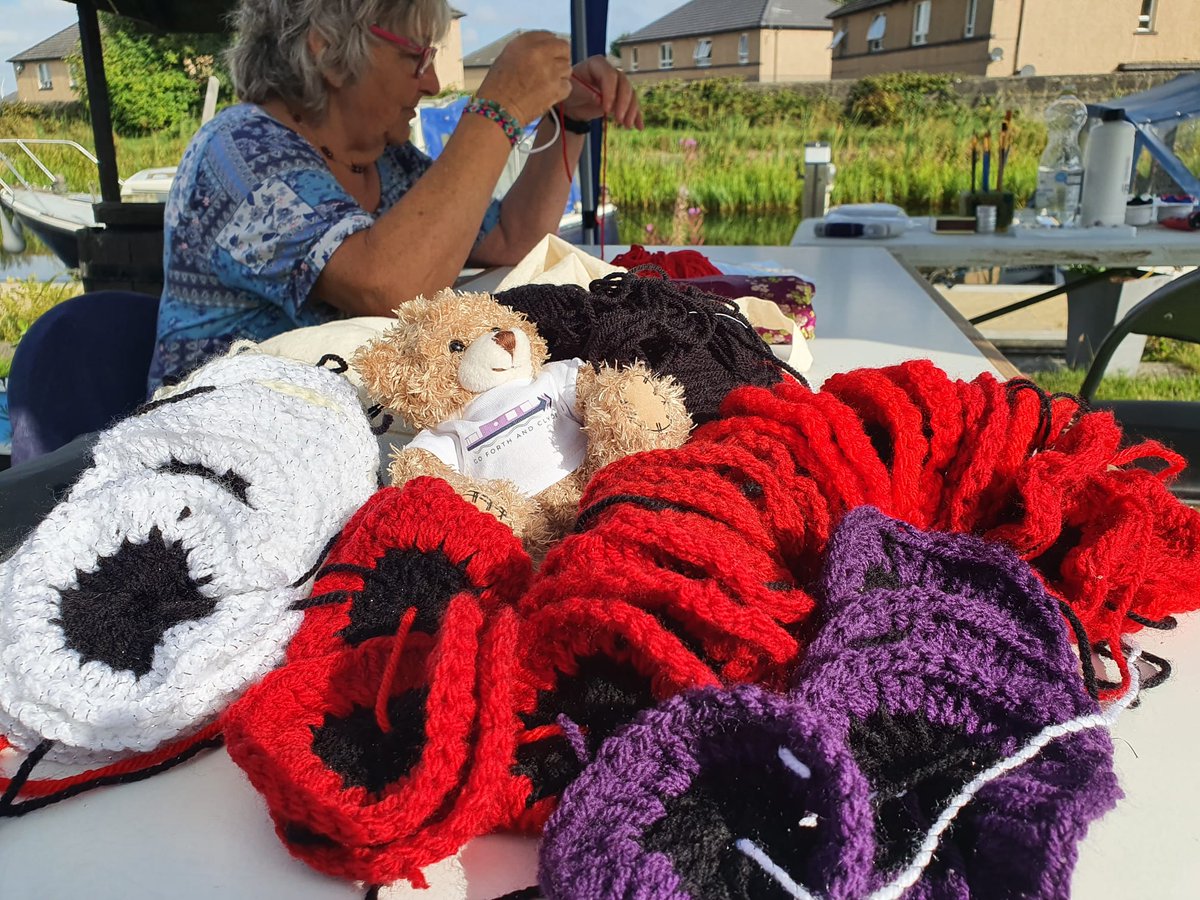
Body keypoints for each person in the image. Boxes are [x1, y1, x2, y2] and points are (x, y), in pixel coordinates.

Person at [149, 0, 642, 389]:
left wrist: (570, 120)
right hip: (218, 452)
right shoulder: (238, 153)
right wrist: (500, 106)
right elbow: (388, 289)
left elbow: (513, 238)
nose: (431, 82)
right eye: (416, 57)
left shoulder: (388, 160)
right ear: (330, 52)